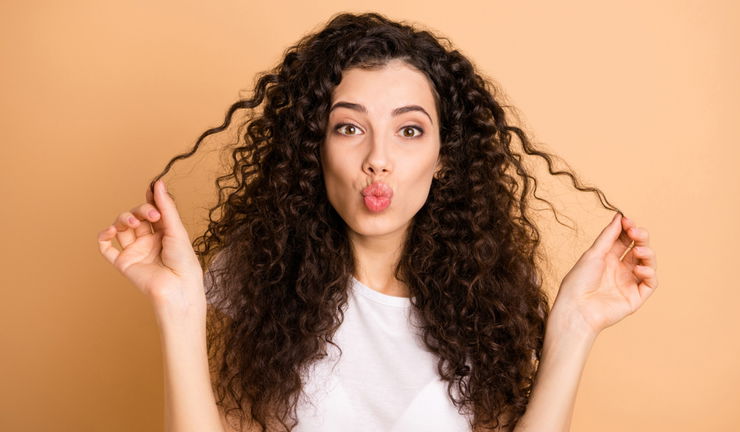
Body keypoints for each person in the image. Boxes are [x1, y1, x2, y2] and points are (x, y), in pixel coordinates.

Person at [96, 12, 658, 432]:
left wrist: (573, 328)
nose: (378, 158)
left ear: (444, 156)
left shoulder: (488, 303)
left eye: (409, 130)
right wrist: (178, 309)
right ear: (313, 149)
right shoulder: (255, 281)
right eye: (349, 127)